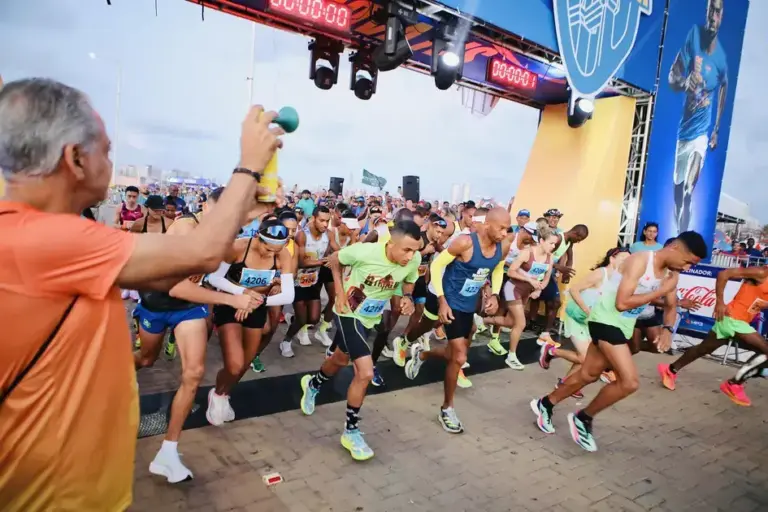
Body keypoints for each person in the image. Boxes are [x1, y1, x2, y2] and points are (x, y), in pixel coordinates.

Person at [0, 78, 282, 510]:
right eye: (107, 150)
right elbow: (201, 254)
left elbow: (172, 271)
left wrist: (244, 212)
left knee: (184, 370)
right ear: (75, 158)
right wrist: (249, 165)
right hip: (56, 496)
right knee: (148, 358)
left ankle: (167, 450)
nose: (112, 163)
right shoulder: (46, 239)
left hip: (74, 486)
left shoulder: (30, 231)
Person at [531, 231, 706, 452]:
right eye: (688, 262)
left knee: (589, 374)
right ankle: (583, 418)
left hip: (623, 326)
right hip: (605, 319)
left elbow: (671, 305)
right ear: (676, 248)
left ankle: (545, 404)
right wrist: (660, 291)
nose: (687, 268)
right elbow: (622, 303)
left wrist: (668, 329)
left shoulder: (672, 274)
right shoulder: (640, 261)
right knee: (629, 382)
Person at [132, 189, 263, 483]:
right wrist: (234, 299)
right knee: (147, 359)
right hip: (157, 303)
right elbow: (176, 287)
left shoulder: (222, 234)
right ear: (205, 205)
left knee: (193, 373)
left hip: (189, 308)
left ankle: (168, 452)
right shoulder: (185, 228)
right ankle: (120, 377)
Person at [299, 221, 422, 460]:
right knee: (365, 373)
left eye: (415, 250)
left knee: (339, 359)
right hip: (348, 312)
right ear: (391, 243)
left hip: (370, 316)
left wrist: (407, 296)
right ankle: (351, 431)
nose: (411, 256)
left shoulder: (413, 260)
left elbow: (409, 280)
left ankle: (313, 383)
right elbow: (335, 259)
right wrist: (340, 292)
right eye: (406, 250)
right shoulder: (365, 252)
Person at [404, 208, 511, 433]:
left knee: (454, 354)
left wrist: (494, 293)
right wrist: (442, 300)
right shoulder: (465, 242)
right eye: (501, 228)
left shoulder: (503, 246)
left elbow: (498, 268)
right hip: (450, 300)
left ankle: (422, 354)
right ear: (487, 224)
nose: (505, 233)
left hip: (468, 304)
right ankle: (447, 408)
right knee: (459, 356)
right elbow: (436, 265)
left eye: (507, 229)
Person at [205, 220, 295, 424]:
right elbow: (214, 278)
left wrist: (256, 302)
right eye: (267, 249)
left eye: (276, 251)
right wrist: (243, 293)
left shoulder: (282, 254)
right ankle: (217, 395)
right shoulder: (238, 247)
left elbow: (289, 294)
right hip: (230, 304)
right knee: (234, 365)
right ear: (257, 238)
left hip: (257, 307)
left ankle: (224, 394)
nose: (270, 254)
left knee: (245, 363)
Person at [658, 264, 768, 406]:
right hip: (733, 319)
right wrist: (720, 302)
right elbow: (724, 274)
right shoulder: (761, 272)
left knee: (703, 349)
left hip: (731, 320)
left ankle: (670, 370)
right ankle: (734, 384)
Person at [668, 0, 727, 234]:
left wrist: (716, 130)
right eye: (710, 10)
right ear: (706, 12)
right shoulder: (693, 36)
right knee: (677, 194)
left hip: (701, 135)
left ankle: (684, 236)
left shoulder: (721, 59)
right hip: (683, 134)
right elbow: (673, 76)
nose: (713, 16)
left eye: (717, 12)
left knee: (688, 191)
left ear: (721, 16)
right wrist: (685, 83)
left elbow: (723, 89)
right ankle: (678, 228)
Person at [541, 247, 630, 399]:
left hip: (593, 322)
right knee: (584, 357)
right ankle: (551, 351)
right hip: (577, 317)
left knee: (587, 357)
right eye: (623, 259)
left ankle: (565, 384)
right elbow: (574, 290)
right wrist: (587, 311)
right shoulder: (600, 274)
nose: (626, 263)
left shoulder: (620, 280)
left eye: (629, 260)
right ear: (612, 259)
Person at [482, 226, 559, 370]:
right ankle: (511, 356)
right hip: (513, 288)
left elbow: (546, 278)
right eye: (551, 243)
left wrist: (539, 289)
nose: (553, 246)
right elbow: (511, 272)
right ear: (541, 241)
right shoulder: (527, 253)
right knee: (521, 323)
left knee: (510, 322)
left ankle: (483, 320)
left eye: (555, 244)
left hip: (526, 292)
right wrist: (529, 280)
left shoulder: (550, 258)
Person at [280, 205, 332, 356]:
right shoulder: (302, 235)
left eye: (327, 221)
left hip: (313, 282)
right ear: (313, 218)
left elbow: (335, 250)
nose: (325, 224)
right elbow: (301, 262)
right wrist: (323, 261)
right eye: (322, 220)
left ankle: (293, 318)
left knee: (314, 319)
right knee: (302, 320)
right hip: (298, 283)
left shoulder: (327, 234)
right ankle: (286, 341)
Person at [529, 223, 590, 340]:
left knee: (554, 302)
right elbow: (543, 257)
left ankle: (546, 331)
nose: (579, 241)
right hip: (540, 273)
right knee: (549, 301)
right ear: (575, 233)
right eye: (579, 239)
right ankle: (536, 326)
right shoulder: (558, 239)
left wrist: (567, 272)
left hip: (548, 273)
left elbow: (570, 258)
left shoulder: (569, 242)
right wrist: (559, 268)